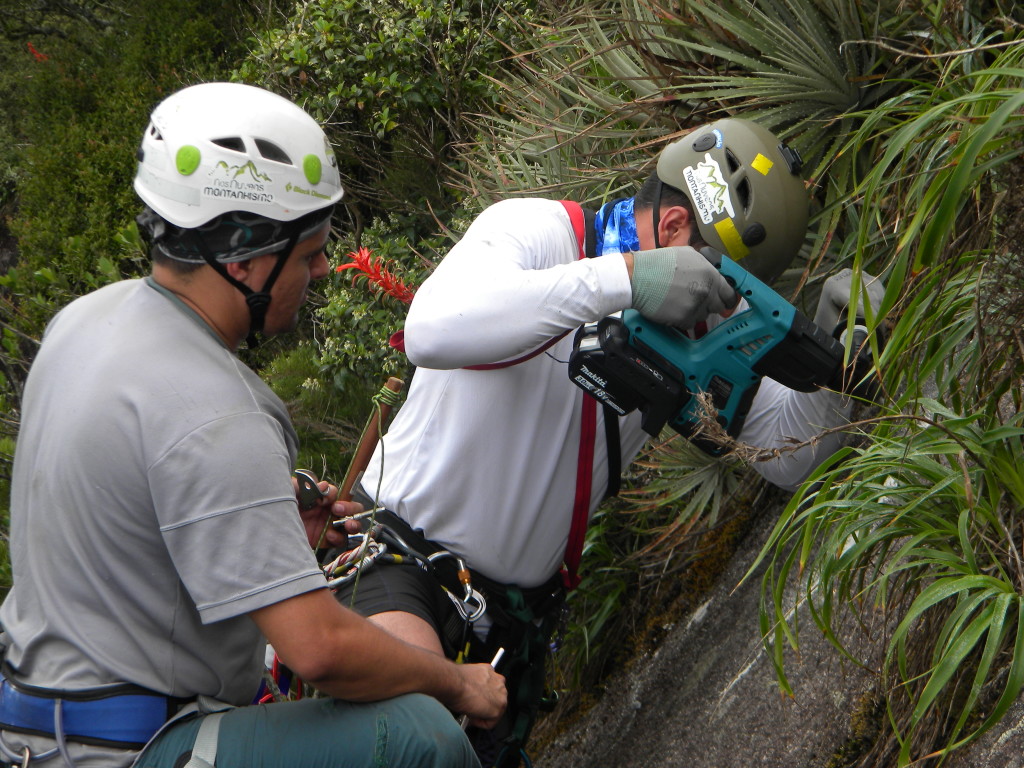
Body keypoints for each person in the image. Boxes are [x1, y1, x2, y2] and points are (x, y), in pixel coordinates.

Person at [330, 117, 886, 766]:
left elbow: (789, 457)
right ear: (676, 230)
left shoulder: (705, 312)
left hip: (516, 624)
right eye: (726, 278)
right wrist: (626, 278)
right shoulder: (538, 231)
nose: (725, 301)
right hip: (396, 560)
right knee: (419, 735)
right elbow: (433, 326)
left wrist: (837, 374)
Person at [0, 82, 506, 768]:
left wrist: (265, 531)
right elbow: (317, 649)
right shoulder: (219, 410)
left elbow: (122, 531)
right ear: (242, 258)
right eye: (308, 253)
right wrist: (459, 682)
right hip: (127, 748)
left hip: (38, 726)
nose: (322, 269)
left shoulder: (79, 325)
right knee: (422, 735)